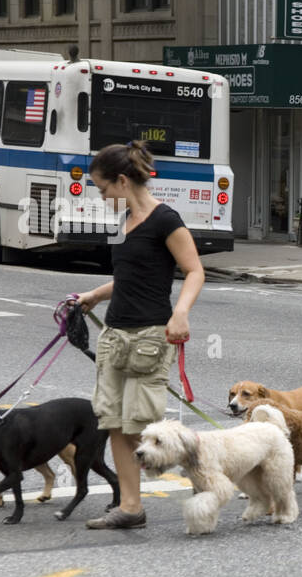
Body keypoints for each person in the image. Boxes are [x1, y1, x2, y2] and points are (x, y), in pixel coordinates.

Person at [72, 140, 206, 528]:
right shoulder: (123, 222)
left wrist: (180, 314)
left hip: (151, 335)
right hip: (115, 333)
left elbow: (194, 270)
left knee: (142, 427)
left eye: (103, 188)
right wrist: (95, 296)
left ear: (122, 180)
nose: (101, 196)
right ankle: (131, 507)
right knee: (114, 421)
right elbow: (128, 276)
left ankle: (209, 475)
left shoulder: (166, 220)